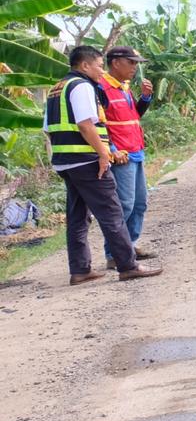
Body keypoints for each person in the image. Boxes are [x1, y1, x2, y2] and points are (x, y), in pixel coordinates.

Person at [45, 45, 162, 285]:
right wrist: (104, 154)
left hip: (66, 161)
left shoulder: (57, 89)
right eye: (99, 65)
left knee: (77, 217)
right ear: (85, 65)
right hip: (86, 160)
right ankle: (127, 265)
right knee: (112, 213)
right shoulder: (82, 86)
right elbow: (86, 125)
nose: (101, 70)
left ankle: (80, 270)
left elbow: (47, 128)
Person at [99, 45, 158, 268]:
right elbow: (99, 124)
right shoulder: (101, 88)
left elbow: (134, 115)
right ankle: (114, 254)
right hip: (121, 155)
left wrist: (145, 97)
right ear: (116, 62)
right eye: (131, 62)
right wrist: (112, 149)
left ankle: (129, 245)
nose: (135, 67)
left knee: (140, 204)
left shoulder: (123, 87)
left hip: (136, 151)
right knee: (124, 205)